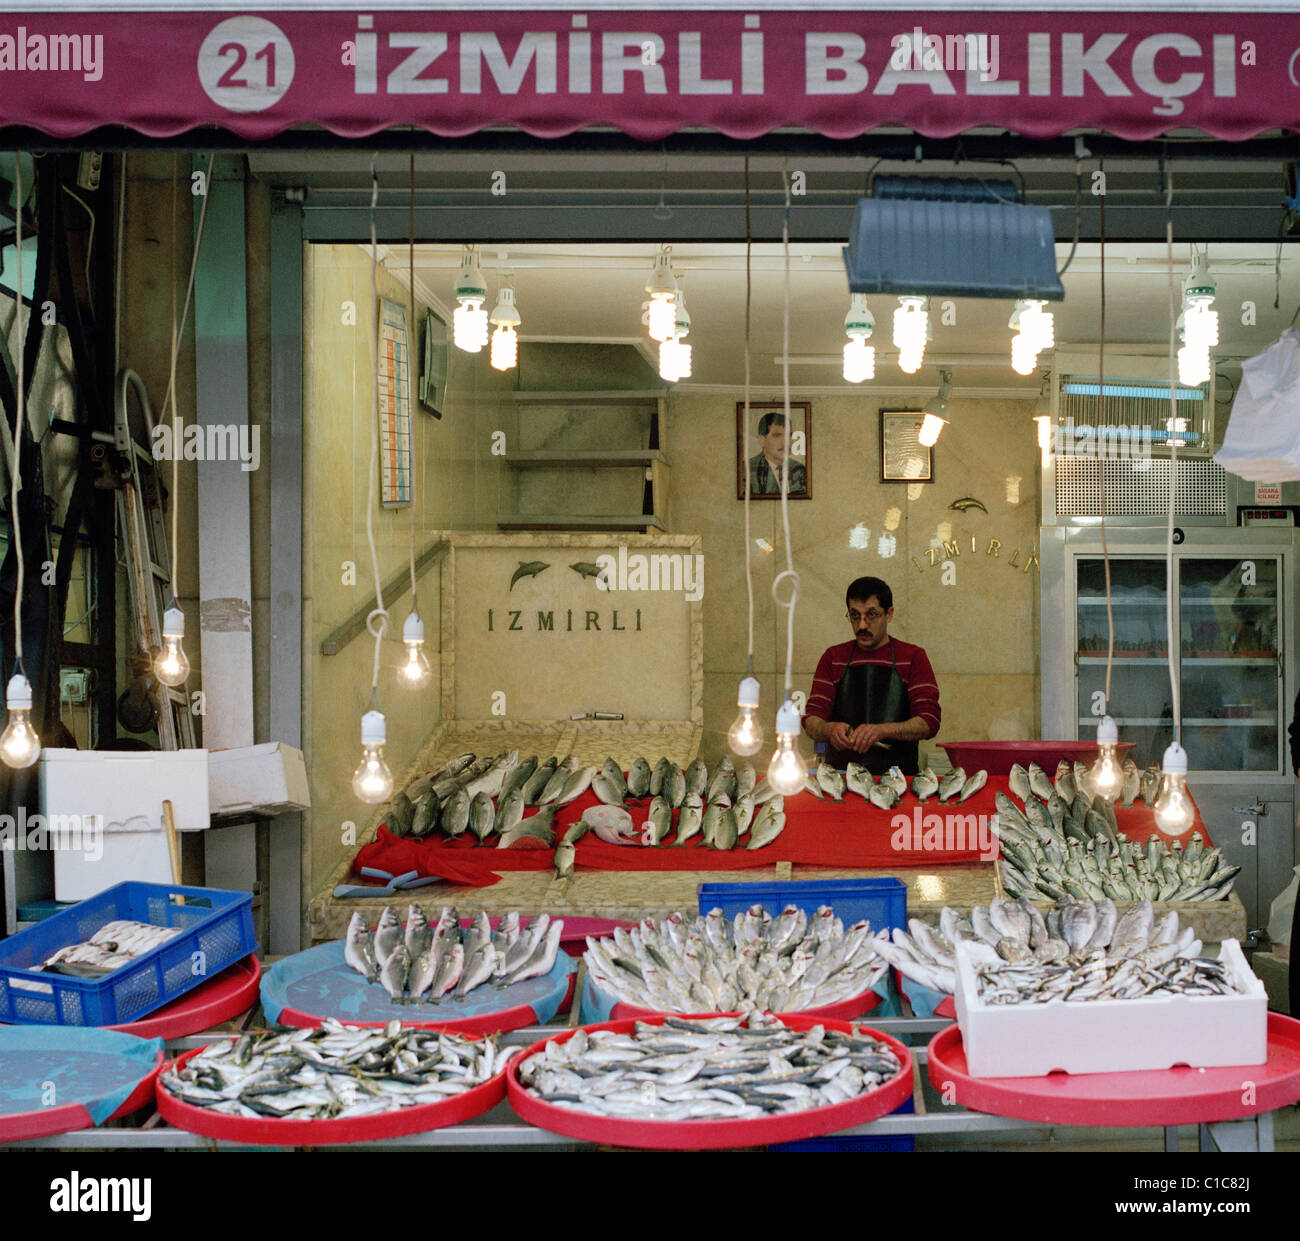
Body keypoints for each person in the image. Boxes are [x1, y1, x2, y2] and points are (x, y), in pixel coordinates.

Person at [802, 576, 940, 776]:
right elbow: (811, 720)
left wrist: (882, 730)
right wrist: (829, 729)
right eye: (855, 615)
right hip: (841, 779)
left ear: (889, 614)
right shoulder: (833, 657)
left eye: (872, 615)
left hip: (899, 779)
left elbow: (929, 722)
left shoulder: (913, 657)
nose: (862, 625)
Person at [748, 411, 807, 495]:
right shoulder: (747, 470)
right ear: (761, 440)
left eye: (789, 435)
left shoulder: (800, 470)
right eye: (777, 435)